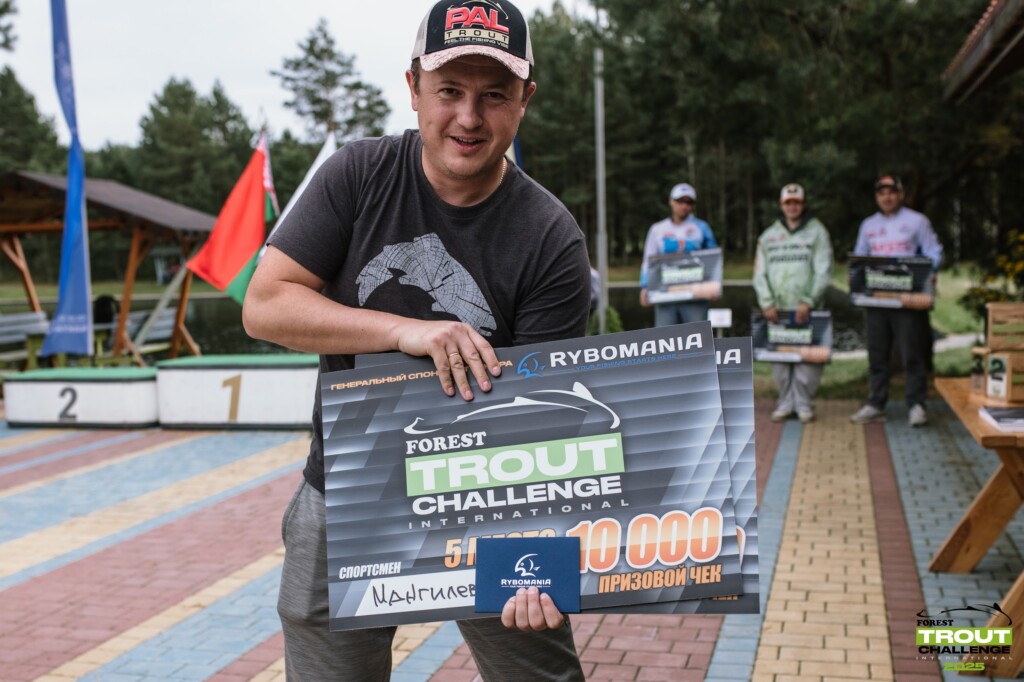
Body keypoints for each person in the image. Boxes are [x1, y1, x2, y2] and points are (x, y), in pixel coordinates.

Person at [242, 2, 589, 680]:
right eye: (449, 90)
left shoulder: (550, 237)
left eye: (495, 95)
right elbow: (265, 304)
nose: (469, 117)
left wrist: (540, 550)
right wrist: (404, 330)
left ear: (525, 100)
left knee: (536, 670)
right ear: (413, 88)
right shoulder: (358, 175)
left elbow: (545, 418)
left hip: (488, 496)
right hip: (348, 488)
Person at [849, 175, 943, 427]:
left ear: (900, 194)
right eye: (882, 193)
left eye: (891, 192)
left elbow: (934, 252)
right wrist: (855, 276)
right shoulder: (868, 225)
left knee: (912, 354)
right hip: (877, 300)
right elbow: (859, 257)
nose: (887, 197)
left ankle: (916, 405)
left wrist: (929, 271)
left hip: (908, 300)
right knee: (877, 355)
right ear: (876, 197)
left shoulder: (917, 221)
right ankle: (876, 403)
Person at [752, 183, 833, 423]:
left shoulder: (817, 232)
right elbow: (759, 273)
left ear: (803, 204)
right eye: (788, 203)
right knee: (780, 358)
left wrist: (809, 299)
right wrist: (766, 302)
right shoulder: (768, 236)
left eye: (797, 202)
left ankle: (804, 403)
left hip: (807, 308)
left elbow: (823, 269)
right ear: (782, 205)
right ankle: (785, 402)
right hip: (777, 310)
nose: (793, 207)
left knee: (808, 358)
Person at [639, 183, 718, 325]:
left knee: (697, 335)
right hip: (664, 294)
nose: (684, 206)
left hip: (695, 295)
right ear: (671, 201)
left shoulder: (702, 228)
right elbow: (648, 260)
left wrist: (714, 285)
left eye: (689, 202)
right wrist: (645, 286)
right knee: (665, 336)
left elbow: (713, 260)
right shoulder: (657, 229)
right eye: (680, 201)